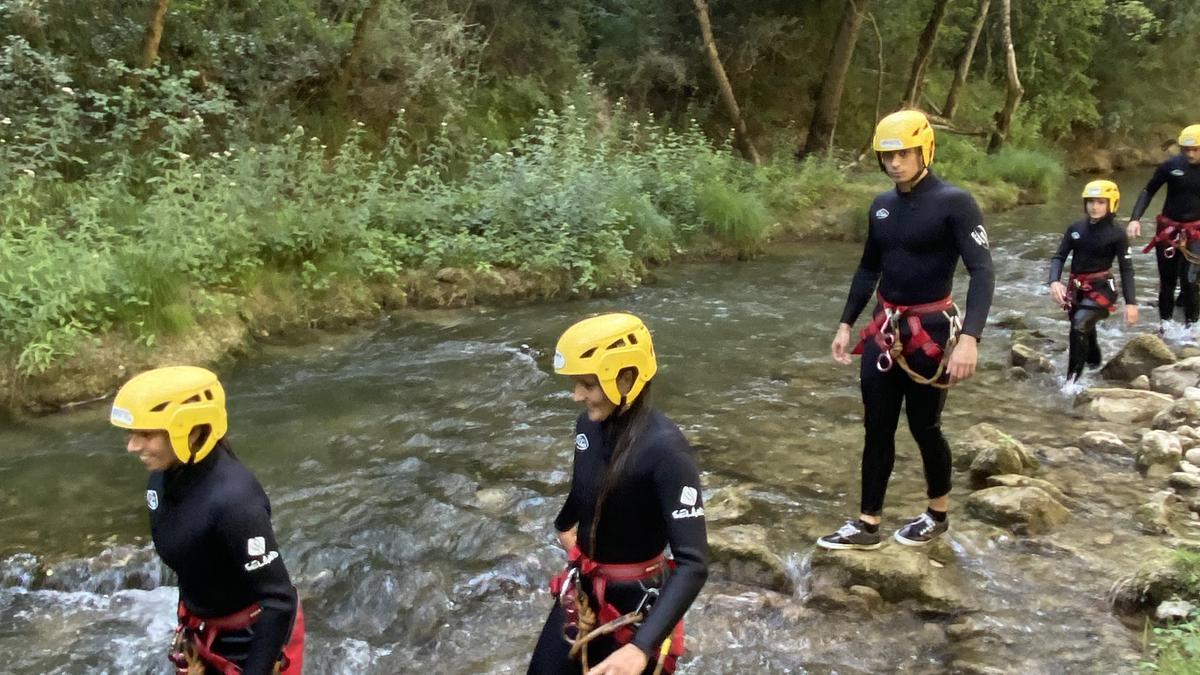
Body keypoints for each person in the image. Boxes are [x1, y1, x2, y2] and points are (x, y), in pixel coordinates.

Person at [819, 109, 995, 550]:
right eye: (887, 156)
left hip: (932, 333)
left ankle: (937, 513)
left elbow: (983, 271)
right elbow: (867, 269)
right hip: (885, 327)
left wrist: (970, 339)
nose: (895, 163)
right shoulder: (881, 206)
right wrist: (845, 324)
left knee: (924, 426)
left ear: (925, 150)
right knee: (876, 426)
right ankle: (867, 522)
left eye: (904, 154)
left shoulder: (956, 203)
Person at [528, 313, 708, 675]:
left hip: (637, 604)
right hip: (585, 586)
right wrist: (565, 525)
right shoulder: (588, 426)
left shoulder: (666, 450)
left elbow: (693, 563)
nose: (576, 395)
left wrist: (642, 647)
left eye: (587, 385)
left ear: (625, 378)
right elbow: (587, 484)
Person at [110, 366, 304, 674]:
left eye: (146, 434)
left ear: (191, 428)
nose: (132, 446)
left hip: (253, 640)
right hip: (200, 629)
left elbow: (278, 600)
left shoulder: (234, 502)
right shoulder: (161, 481)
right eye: (132, 434)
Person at [1049, 180, 1138, 381]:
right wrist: (1054, 281)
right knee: (1085, 330)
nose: (1094, 206)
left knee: (1079, 326)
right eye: (1090, 202)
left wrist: (1131, 303)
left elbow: (1126, 268)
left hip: (1103, 290)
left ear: (1111, 204)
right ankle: (1094, 364)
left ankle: (1071, 383)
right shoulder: (1076, 228)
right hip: (1077, 289)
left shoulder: (1117, 233)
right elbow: (1059, 257)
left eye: (1100, 202)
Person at [1126, 124, 1200, 331]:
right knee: (1167, 280)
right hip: (1168, 230)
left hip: (1196, 232)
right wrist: (1135, 219)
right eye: (1186, 149)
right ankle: (1165, 324)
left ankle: (1193, 328)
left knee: (1190, 281)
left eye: (1195, 149)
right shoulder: (1171, 165)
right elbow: (1148, 191)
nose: (1190, 154)